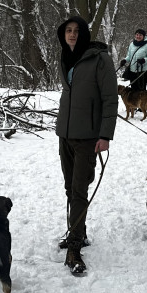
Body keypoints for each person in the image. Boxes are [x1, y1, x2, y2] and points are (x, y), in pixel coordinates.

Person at [54, 16, 119, 274]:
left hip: (89, 136)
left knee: (79, 189)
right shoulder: (65, 56)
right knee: (70, 187)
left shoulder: (100, 59)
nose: (72, 35)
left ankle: (74, 246)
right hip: (66, 133)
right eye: (68, 31)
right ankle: (78, 231)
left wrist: (105, 135)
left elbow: (110, 99)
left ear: (84, 34)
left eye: (76, 31)